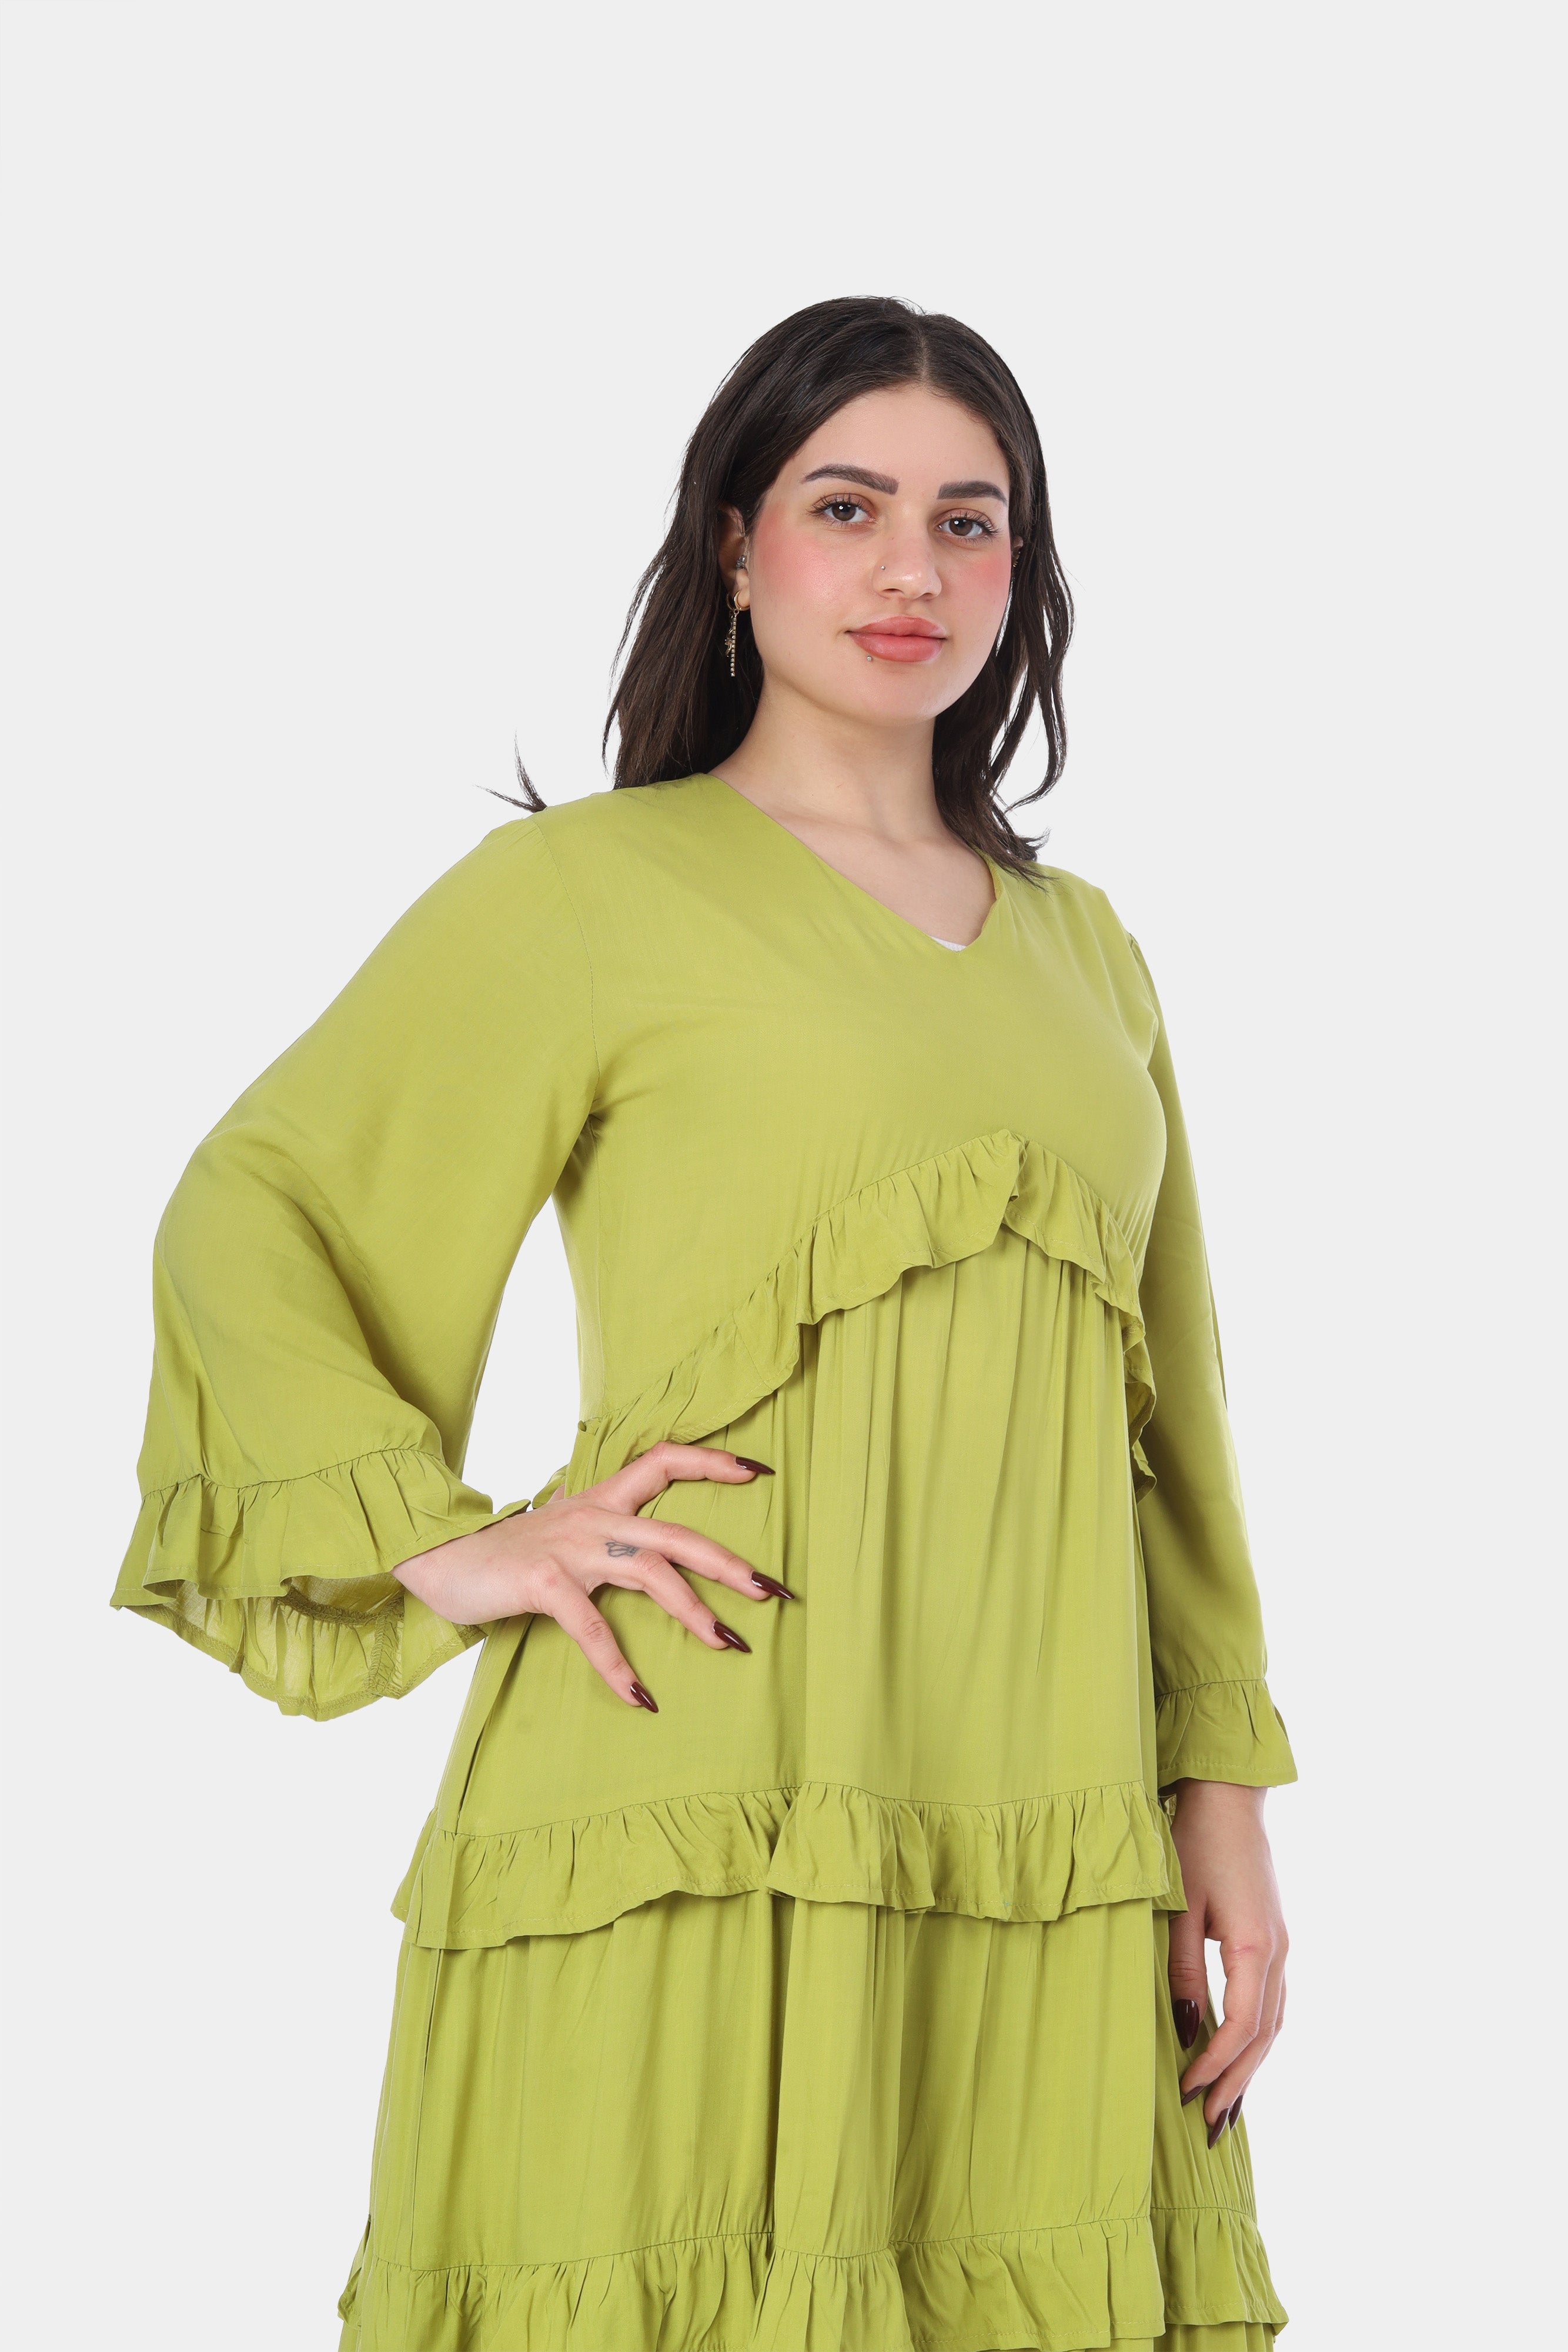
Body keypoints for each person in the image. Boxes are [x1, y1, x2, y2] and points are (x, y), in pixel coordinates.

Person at [113, 295, 1296, 2352]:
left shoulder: (1089, 953)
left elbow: (1170, 1411)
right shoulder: (585, 892)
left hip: (1037, 1809)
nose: (912, 568)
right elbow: (259, 1204)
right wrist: (446, 1537)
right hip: (692, 1761)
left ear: (1020, 573)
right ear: (737, 548)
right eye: (847, 507)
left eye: (968, 520)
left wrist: (1222, 1793)